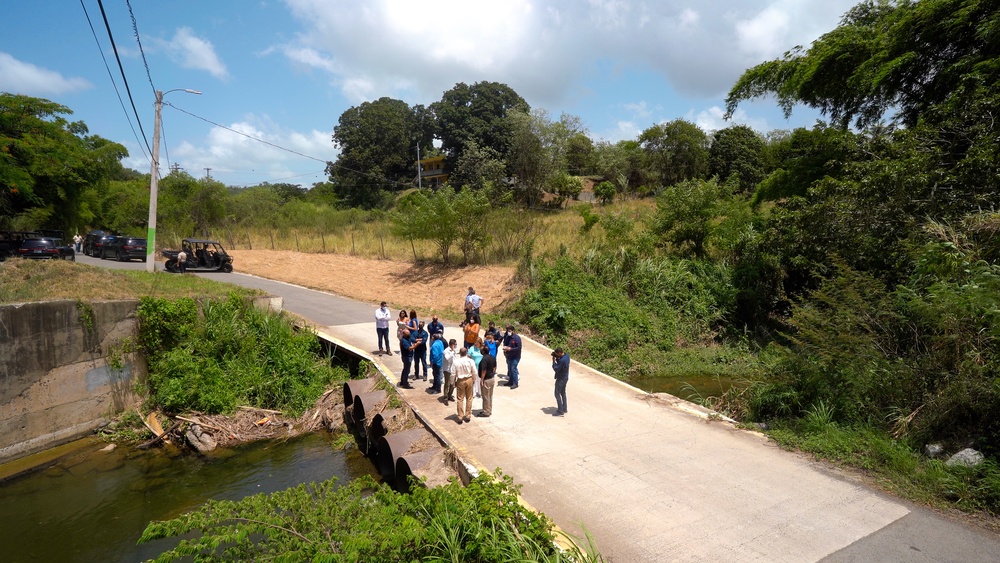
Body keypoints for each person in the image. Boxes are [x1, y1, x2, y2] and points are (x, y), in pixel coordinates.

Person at [453, 347, 477, 423]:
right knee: (469, 398)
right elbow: (474, 372)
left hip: (460, 380)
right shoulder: (470, 361)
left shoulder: (456, 362)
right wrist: (473, 379)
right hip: (469, 378)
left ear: (460, 353)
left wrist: (453, 382)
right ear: (466, 353)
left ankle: (460, 416)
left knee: (460, 398)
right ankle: (468, 415)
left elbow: (453, 373)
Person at [477, 345, 498, 417]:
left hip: (486, 380)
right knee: (490, 395)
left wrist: (482, 380)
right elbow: (495, 368)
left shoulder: (484, 359)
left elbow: (483, 371)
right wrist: (492, 374)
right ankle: (489, 410)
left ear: (483, 351)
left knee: (485, 396)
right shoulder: (492, 358)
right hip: (492, 378)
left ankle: (485, 412)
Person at [501, 324, 522, 389]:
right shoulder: (507, 337)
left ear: (513, 331)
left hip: (515, 356)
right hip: (509, 356)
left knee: (513, 369)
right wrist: (505, 348)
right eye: (508, 331)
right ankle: (510, 381)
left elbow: (519, 348)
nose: (509, 332)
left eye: (510, 331)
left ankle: (515, 383)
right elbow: (505, 344)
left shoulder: (517, 338)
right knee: (510, 369)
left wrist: (511, 349)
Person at [552, 347, 570, 416]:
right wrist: (557, 358)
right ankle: (564, 408)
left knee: (557, 393)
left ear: (559, 353)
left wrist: (553, 361)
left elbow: (556, 368)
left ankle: (560, 411)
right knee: (563, 393)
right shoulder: (567, 356)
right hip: (565, 377)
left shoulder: (562, 361)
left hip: (561, 378)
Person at [442, 338, 458, 404]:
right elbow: (447, 358)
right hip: (447, 370)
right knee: (447, 384)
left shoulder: (454, 351)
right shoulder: (446, 351)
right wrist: (452, 352)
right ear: (452, 345)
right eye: (455, 344)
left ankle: (449, 395)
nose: (456, 346)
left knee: (453, 384)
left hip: (453, 370)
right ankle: (445, 397)